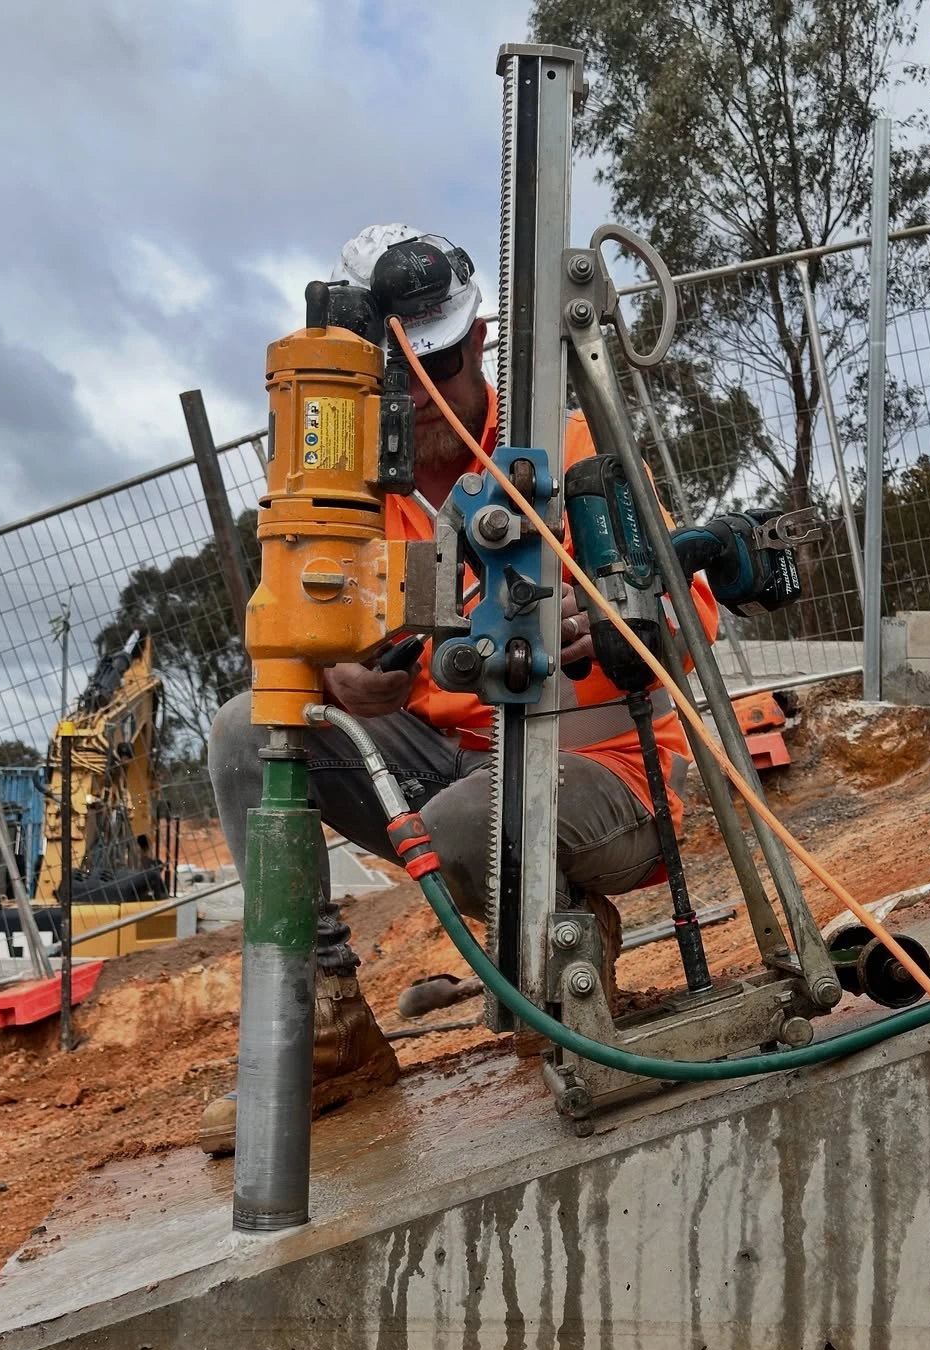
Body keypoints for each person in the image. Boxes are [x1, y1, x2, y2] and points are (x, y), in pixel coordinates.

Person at [199, 224, 719, 1156]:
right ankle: (326, 1024)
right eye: (402, 376)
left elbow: (691, 623)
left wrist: (603, 619)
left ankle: (558, 933)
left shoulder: (561, 444)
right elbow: (298, 636)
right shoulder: (348, 491)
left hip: (603, 770)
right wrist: (337, 674)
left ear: (479, 338)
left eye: (442, 362)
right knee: (250, 728)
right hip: (452, 762)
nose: (427, 394)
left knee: (464, 825)